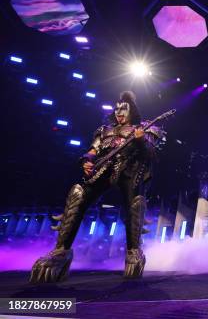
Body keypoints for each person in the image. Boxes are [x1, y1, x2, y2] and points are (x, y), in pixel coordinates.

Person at [30, 91, 164, 283]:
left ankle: (134, 251)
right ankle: (61, 251)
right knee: (77, 194)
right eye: (116, 109)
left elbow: (151, 153)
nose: (119, 112)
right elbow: (92, 151)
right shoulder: (105, 131)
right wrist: (87, 160)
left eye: (123, 109)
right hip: (103, 170)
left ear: (132, 110)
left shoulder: (144, 128)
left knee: (135, 203)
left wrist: (141, 139)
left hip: (129, 170)